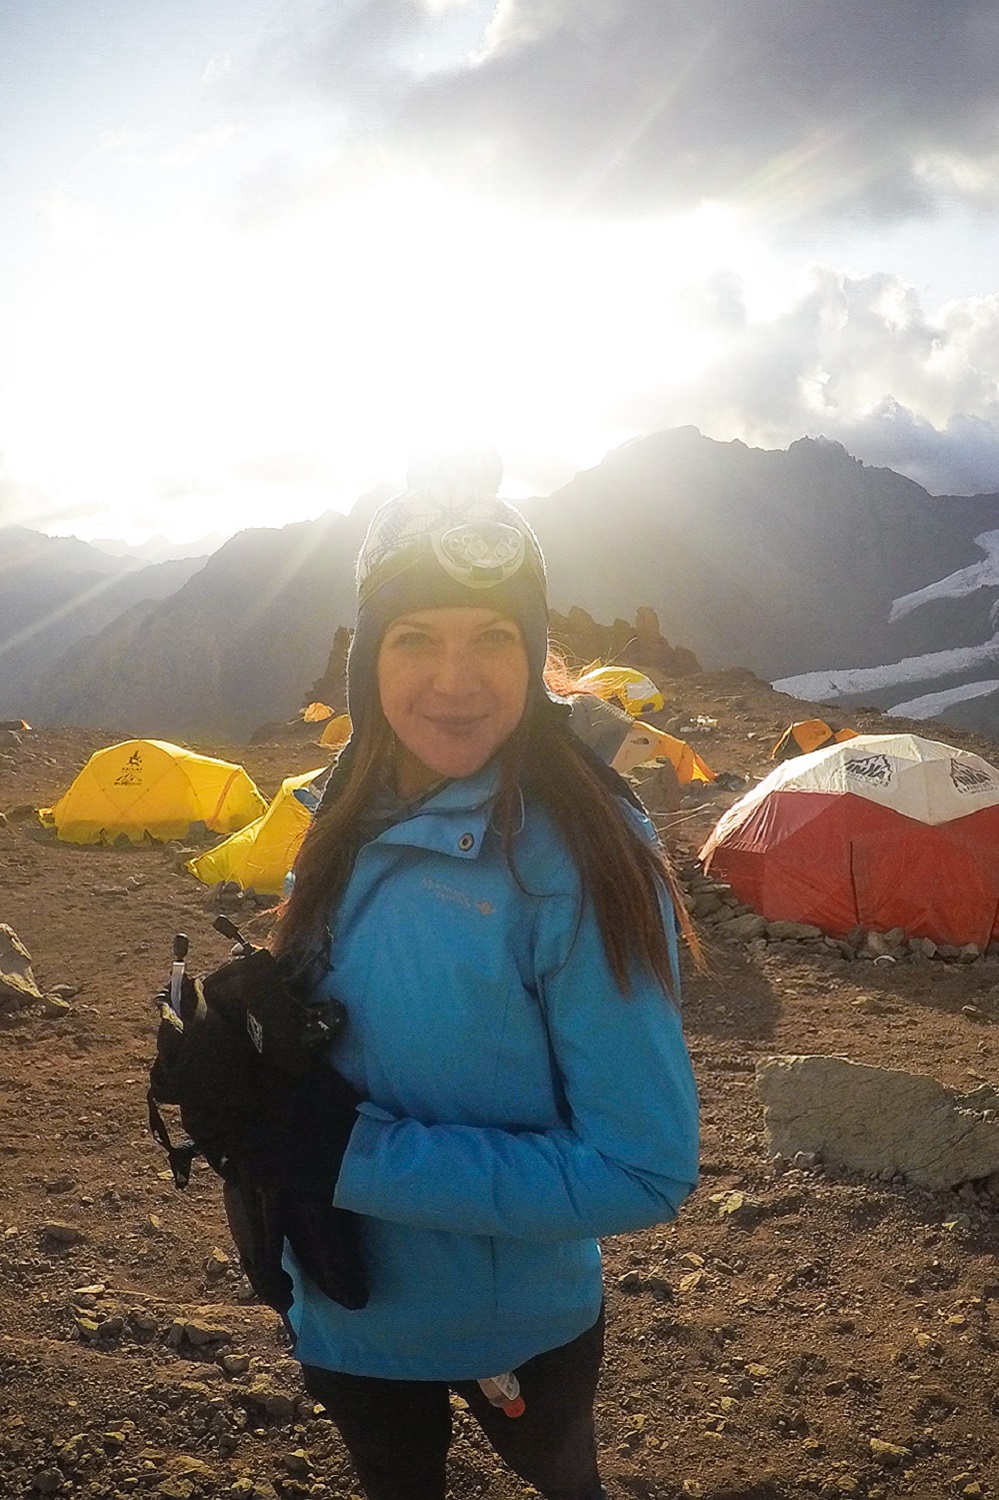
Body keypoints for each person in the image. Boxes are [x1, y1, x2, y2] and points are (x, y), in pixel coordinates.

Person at [266, 449, 700, 1500]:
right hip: (341, 1305)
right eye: (416, 638)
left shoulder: (582, 859)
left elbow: (644, 1168)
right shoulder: (340, 808)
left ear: (534, 650)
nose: (454, 682)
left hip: (516, 1326)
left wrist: (346, 1151)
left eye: (491, 639)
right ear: (370, 658)